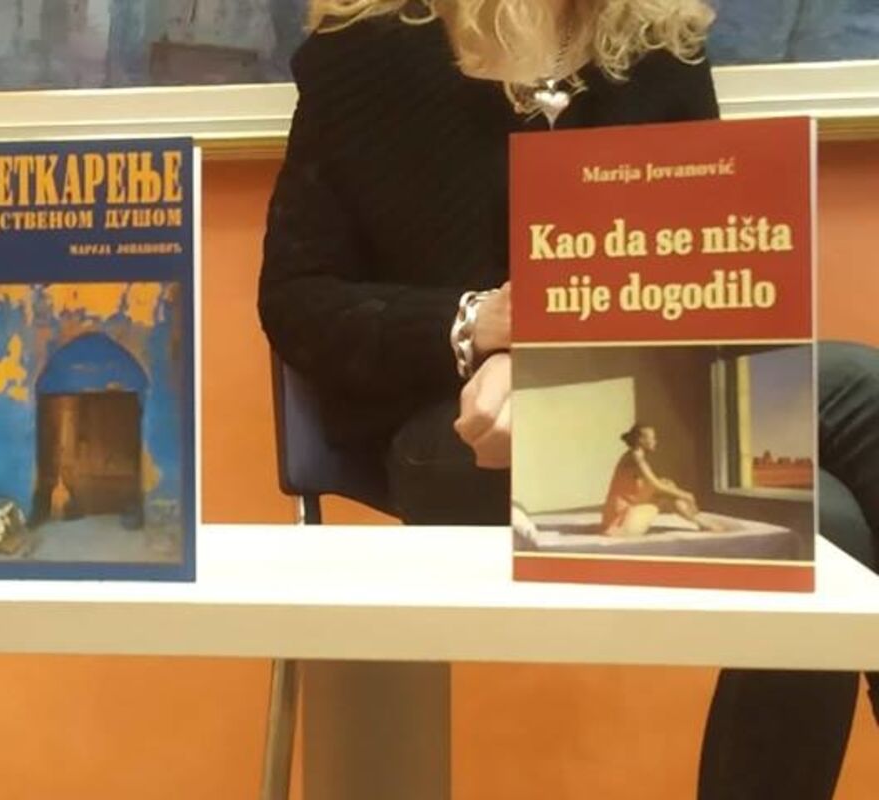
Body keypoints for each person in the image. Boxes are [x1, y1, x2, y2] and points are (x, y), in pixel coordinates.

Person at [256, 1, 879, 796]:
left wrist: (549, 356)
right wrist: (477, 327)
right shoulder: (363, 55)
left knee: (865, 390)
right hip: (454, 427)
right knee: (820, 520)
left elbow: (694, 270)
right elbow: (298, 300)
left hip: (638, 394)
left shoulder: (658, 43)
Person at [601, 423, 727, 536]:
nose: (655, 441)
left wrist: (682, 494)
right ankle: (701, 522)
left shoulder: (636, 455)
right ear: (641, 440)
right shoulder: (635, 457)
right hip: (621, 519)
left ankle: (701, 523)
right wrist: (687, 495)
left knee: (667, 484)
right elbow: (655, 485)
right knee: (665, 489)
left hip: (625, 511)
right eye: (652, 438)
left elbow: (656, 485)